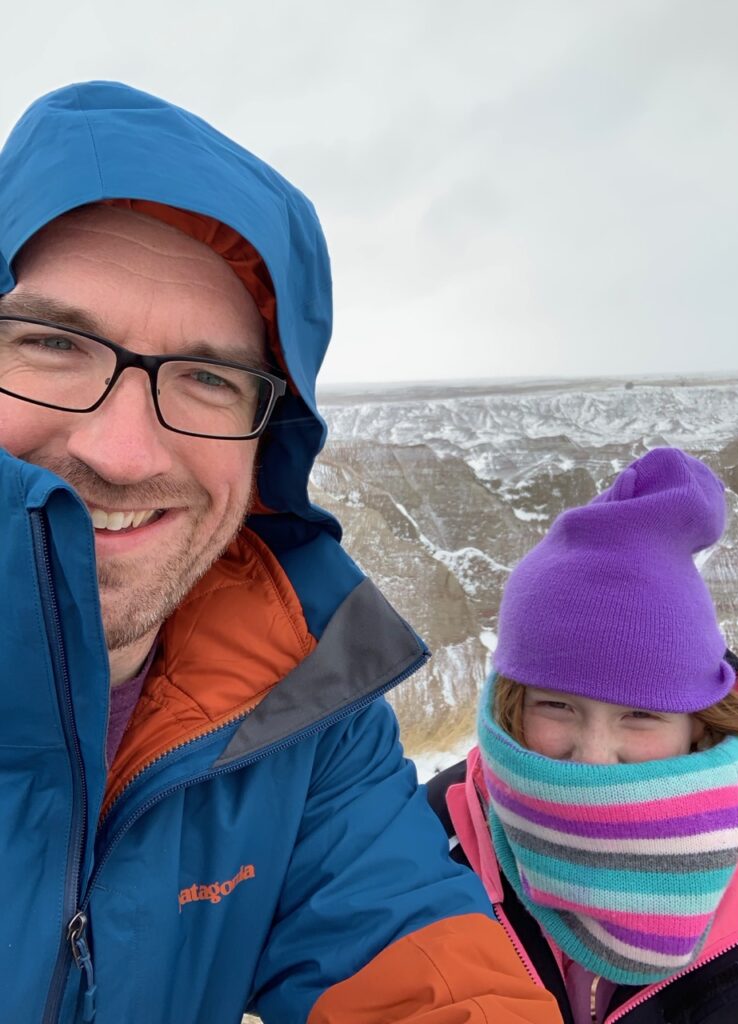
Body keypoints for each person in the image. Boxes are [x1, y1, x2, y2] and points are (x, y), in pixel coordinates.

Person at [0, 83, 561, 1024]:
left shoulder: (300, 717)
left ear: (269, 446)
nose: (122, 451)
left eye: (209, 377)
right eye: (56, 343)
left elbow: (431, 981)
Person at [428, 448, 738, 1023]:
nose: (593, 757)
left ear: (697, 723)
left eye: (639, 715)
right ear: (513, 704)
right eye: (557, 706)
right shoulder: (428, 837)